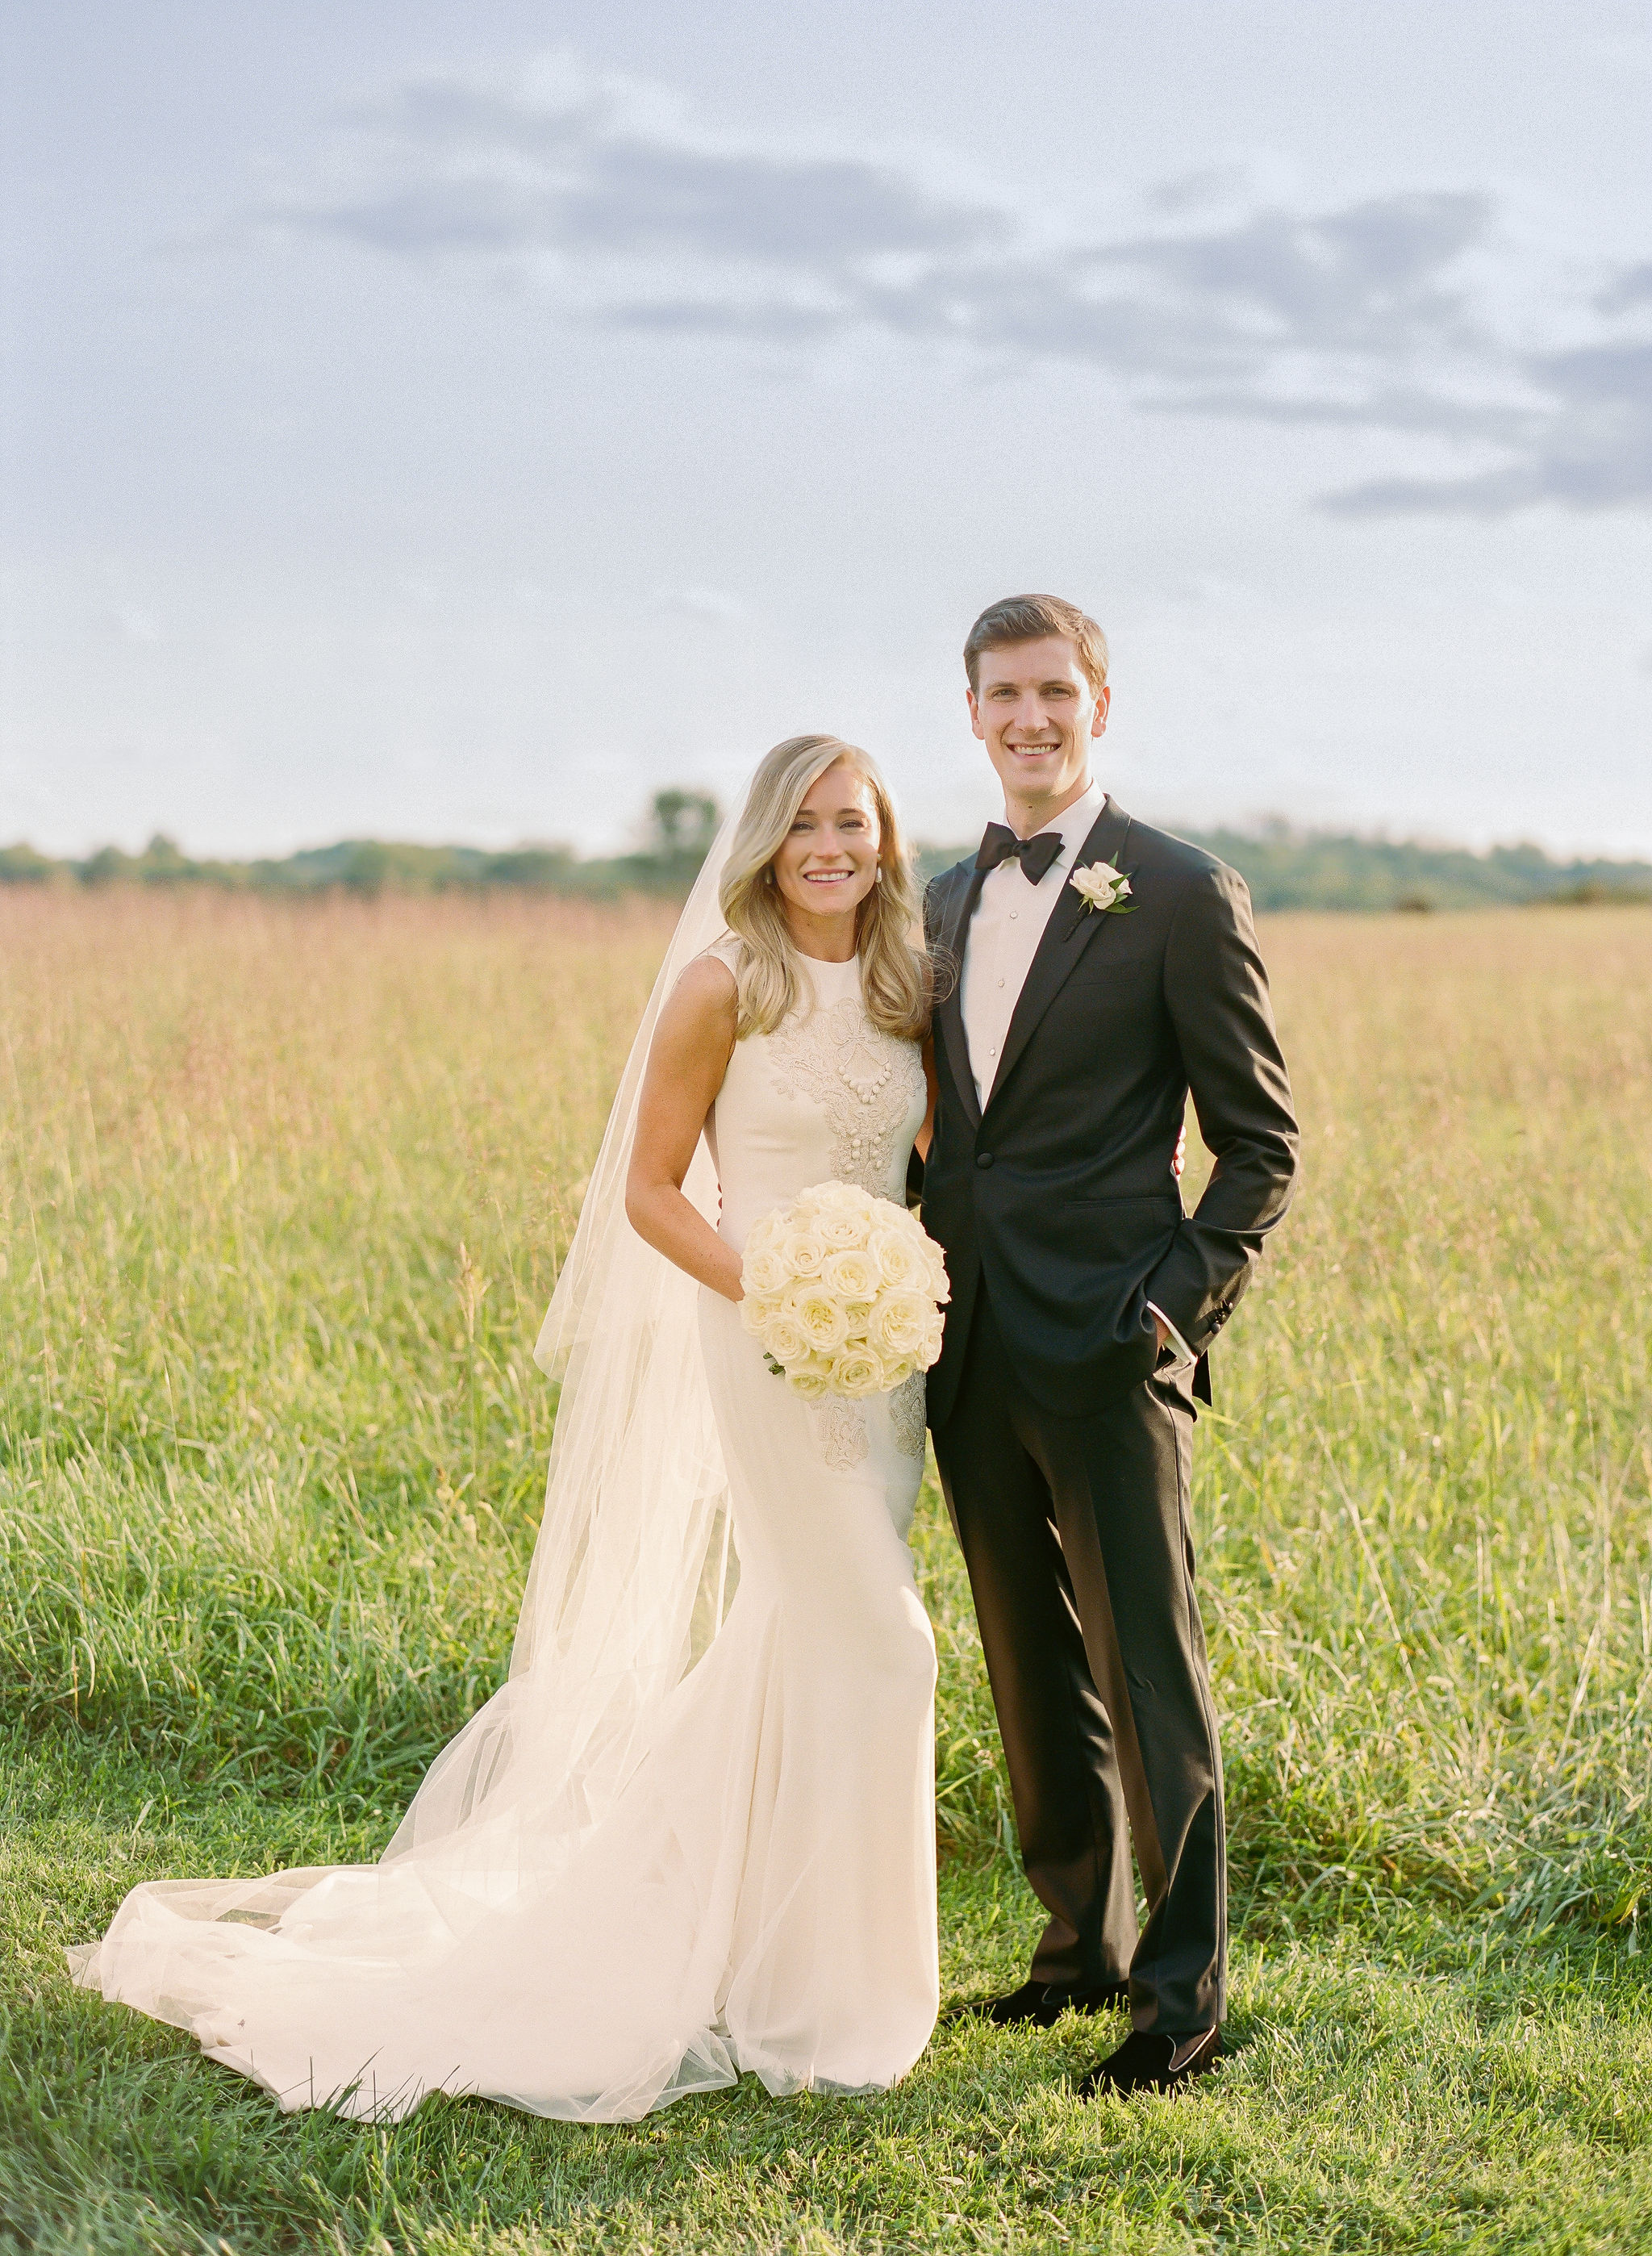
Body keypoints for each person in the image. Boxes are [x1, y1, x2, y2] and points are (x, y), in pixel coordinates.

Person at [69, 736, 941, 2123]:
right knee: (889, 1644)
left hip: (886, 1357)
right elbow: (653, 1190)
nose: (830, 847)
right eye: (804, 825)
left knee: (805, 1641)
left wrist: (918, 1276)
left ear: (885, 840)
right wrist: (770, 1293)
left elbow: (947, 1161)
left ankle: (770, 1948)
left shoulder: (905, 986)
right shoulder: (725, 984)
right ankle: (834, 2002)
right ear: (767, 844)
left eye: (854, 823)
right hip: (769, 1339)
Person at [920, 594, 1299, 2097]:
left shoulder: (1184, 892)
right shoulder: (936, 903)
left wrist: (1171, 1307)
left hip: (1112, 1342)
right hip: (967, 1343)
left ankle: (1180, 2003)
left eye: (1055, 692)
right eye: (1004, 695)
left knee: (1149, 1669)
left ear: (1097, 704)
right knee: (1028, 1664)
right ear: (970, 712)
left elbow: (1261, 1143)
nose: (1031, 718)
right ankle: (1074, 1951)